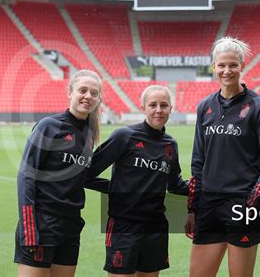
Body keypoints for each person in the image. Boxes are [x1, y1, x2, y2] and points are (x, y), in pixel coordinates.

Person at [186, 37, 260, 277]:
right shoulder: (204, 106)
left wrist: (250, 205)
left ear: (242, 66)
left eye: (232, 65)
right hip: (209, 205)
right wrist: (192, 208)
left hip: (243, 204)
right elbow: (198, 161)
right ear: (213, 67)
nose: (227, 71)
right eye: (221, 65)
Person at [88, 85, 189, 276]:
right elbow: (87, 174)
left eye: (164, 105)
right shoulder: (124, 136)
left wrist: (204, 185)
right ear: (143, 108)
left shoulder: (170, 144)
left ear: (170, 109)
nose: (158, 110)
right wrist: (116, 188)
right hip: (124, 225)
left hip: (156, 227)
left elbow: (175, 185)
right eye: (153, 105)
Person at [14, 70, 104, 277]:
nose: (88, 96)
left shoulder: (89, 135)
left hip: (71, 227)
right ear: (70, 93)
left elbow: (83, 176)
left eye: (94, 93)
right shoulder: (49, 126)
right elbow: (26, 178)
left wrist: (129, 187)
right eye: (82, 90)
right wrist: (29, 230)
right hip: (42, 224)